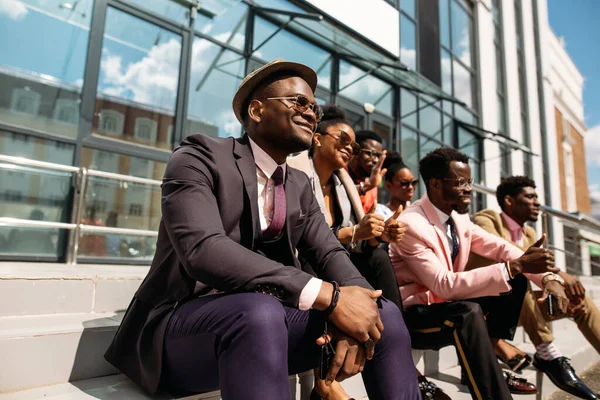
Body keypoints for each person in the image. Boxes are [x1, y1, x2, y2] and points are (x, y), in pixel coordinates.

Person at [104, 59, 420, 400]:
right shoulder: (198, 157)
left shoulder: (299, 184)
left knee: (384, 313)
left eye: (313, 107)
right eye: (298, 102)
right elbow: (204, 250)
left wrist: (360, 308)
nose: (311, 113)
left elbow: (328, 252)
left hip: (268, 326)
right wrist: (330, 298)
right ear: (256, 110)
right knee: (259, 312)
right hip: (181, 328)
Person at [389, 147, 568, 400]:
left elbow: (501, 247)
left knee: (512, 280)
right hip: (415, 316)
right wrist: (513, 267)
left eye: (470, 181)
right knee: (469, 311)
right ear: (436, 184)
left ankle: (490, 347)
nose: (469, 188)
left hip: (447, 305)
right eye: (461, 182)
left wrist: (549, 278)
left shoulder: (459, 219)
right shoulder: (411, 224)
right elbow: (444, 285)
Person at [467, 176, 600, 400]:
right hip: (486, 305)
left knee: (579, 298)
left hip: (518, 310)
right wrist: (558, 274)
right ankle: (547, 353)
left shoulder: (529, 234)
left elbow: (542, 268)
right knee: (519, 277)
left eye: (537, 197)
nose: (537, 202)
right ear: (509, 201)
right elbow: (499, 251)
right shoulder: (487, 218)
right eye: (530, 197)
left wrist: (559, 287)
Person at [347, 130, 387, 214]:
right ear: (356, 151)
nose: (376, 160)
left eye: (379, 156)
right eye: (372, 154)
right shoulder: (337, 173)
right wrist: (367, 186)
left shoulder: (372, 188)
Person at [376, 152, 417, 219]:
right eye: (404, 183)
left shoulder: (417, 212)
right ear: (389, 185)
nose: (410, 187)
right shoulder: (380, 213)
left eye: (414, 182)